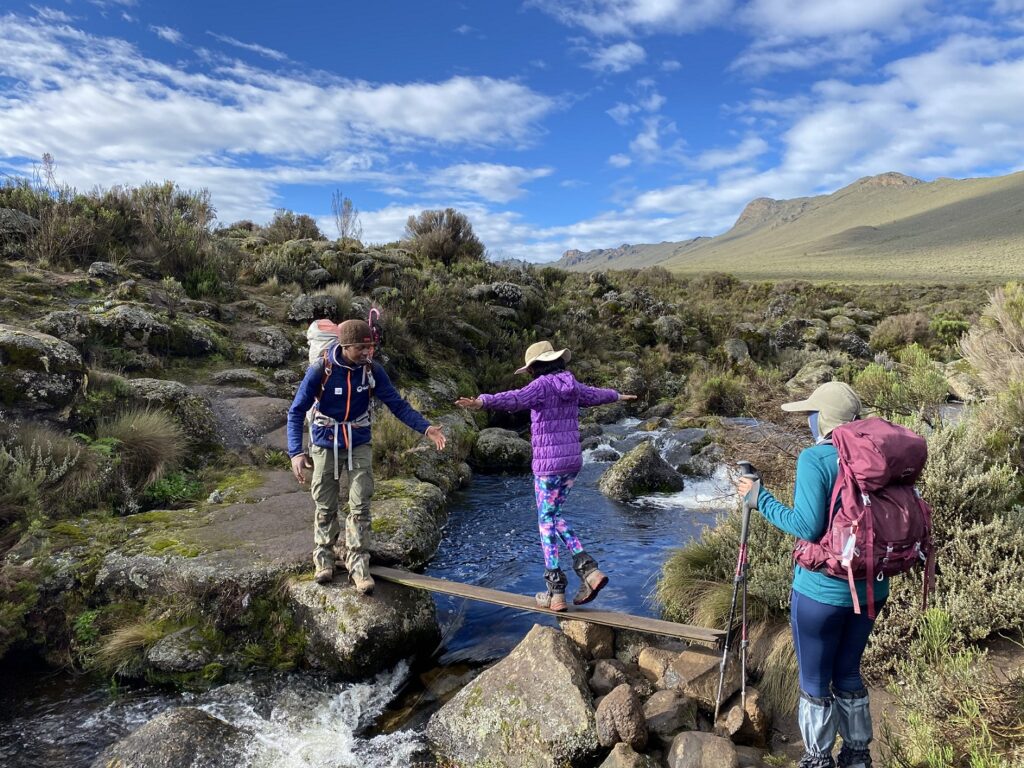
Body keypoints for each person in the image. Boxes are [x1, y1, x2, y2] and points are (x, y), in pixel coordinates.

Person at [737, 381, 881, 768]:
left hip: (822, 591)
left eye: (811, 414)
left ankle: (818, 760)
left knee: (815, 682)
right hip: (872, 588)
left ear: (824, 419)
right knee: (848, 671)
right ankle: (856, 757)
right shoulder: (878, 453)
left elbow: (806, 525)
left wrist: (757, 497)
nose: (808, 421)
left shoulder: (815, 458)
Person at [456, 340, 636, 612]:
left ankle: (557, 590)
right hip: (572, 461)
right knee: (554, 516)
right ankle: (589, 571)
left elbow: (515, 399)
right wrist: (617, 395)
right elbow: (594, 394)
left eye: (530, 370)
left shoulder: (540, 386)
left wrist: (482, 402)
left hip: (548, 465)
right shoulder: (572, 384)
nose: (528, 374)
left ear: (537, 367)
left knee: (545, 521)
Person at [287, 319, 447, 593]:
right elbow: (296, 410)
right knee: (325, 504)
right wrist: (296, 452)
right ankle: (323, 559)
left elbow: (397, 404)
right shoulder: (321, 369)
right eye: (361, 348)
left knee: (360, 505)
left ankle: (358, 565)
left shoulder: (372, 371)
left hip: (359, 441)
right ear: (345, 346)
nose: (367, 353)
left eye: (369, 347)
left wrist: (426, 428)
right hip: (325, 441)